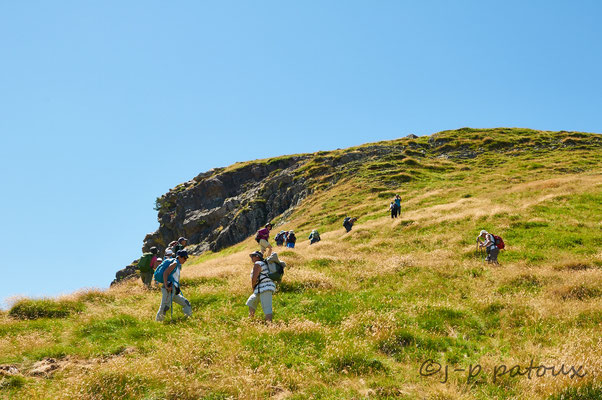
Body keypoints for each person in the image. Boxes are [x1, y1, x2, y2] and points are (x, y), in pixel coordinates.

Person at [155, 250, 193, 321]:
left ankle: (188, 319)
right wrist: (166, 286)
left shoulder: (178, 265)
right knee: (164, 307)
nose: (185, 260)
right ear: (179, 257)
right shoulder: (175, 263)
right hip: (169, 288)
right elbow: (165, 273)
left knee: (186, 303)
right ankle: (158, 323)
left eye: (186, 258)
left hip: (174, 290)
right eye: (184, 258)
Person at [246, 251, 276, 322]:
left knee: (267, 307)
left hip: (265, 287)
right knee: (251, 301)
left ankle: (269, 324)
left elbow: (254, 278)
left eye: (252, 256)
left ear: (257, 256)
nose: (251, 258)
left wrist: (253, 287)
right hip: (261, 288)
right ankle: (251, 318)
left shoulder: (258, 263)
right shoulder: (264, 264)